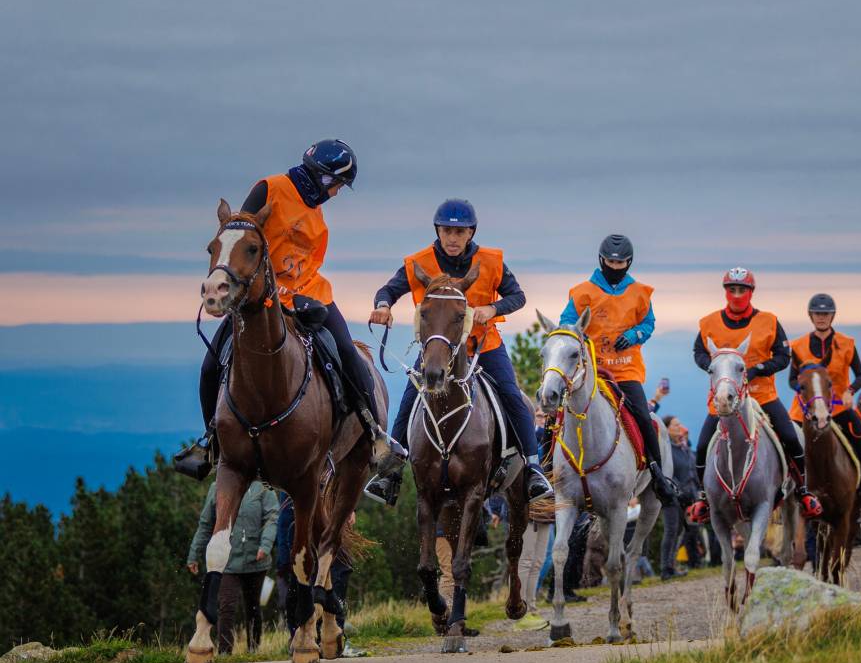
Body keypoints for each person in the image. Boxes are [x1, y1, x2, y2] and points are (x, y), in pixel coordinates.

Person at [173, 140, 402, 480]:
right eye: (337, 185)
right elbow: (238, 231)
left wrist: (300, 295)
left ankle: (374, 434)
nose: (336, 193)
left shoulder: (316, 212)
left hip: (310, 292)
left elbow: (308, 262)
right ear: (323, 177)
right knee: (211, 364)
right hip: (263, 295)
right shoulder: (271, 188)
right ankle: (210, 441)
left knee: (347, 354)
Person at [364, 199, 551, 505]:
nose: (452, 238)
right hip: (437, 349)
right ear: (437, 231)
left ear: (470, 233)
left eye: (459, 231)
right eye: (446, 230)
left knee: (511, 395)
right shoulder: (419, 262)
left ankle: (532, 469)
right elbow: (388, 290)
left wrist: (493, 307)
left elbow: (518, 296)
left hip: (482, 345)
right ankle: (391, 473)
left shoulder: (490, 261)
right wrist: (383, 306)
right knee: (410, 400)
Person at [556, 234, 678, 505]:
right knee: (559, 411)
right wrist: (578, 337)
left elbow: (649, 323)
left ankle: (657, 474)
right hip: (590, 369)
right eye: (610, 261)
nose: (615, 266)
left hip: (626, 370)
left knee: (644, 418)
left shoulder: (640, 292)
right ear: (601, 260)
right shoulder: (582, 291)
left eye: (620, 262)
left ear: (629, 263)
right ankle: (545, 470)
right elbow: (567, 322)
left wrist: (634, 335)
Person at [690, 268, 820, 520]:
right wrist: (713, 366)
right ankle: (704, 499)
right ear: (726, 292)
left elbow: (783, 357)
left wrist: (758, 369)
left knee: (791, 438)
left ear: (751, 292)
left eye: (742, 290)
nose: (737, 295)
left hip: (762, 396)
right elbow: (698, 351)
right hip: (723, 399)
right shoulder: (708, 323)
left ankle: (803, 491)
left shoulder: (769, 321)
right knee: (704, 444)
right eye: (732, 290)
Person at [787, 292, 861, 520]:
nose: (821, 318)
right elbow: (791, 380)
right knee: (786, 446)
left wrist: (850, 391)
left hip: (838, 408)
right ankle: (784, 498)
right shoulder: (797, 346)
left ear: (832, 316)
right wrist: (807, 394)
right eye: (817, 313)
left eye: (826, 314)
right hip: (806, 412)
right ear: (810, 316)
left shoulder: (847, 344)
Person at [187, 478, 279, 654]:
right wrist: (194, 554)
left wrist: (265, 545)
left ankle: (253, 649)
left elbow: (272, 517)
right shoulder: (217, 488)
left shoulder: (262, 488)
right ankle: (224, 651)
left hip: (256, 561)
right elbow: (206, 524)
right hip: (227, 561)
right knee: (226, 606)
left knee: (253, 607)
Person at [660, 417, 701, 578]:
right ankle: (665, 569)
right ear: (667, 429)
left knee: (684, 531)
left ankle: (673, 565)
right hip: (672, 498)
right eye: (676, 425)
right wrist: (678, 490)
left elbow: (693, 471)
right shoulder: (666, 449)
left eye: (679, 424)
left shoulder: (684, 449)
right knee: (672, 531)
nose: (679, 427)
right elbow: (667, 472)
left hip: (689, 497)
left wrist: (698, 490)